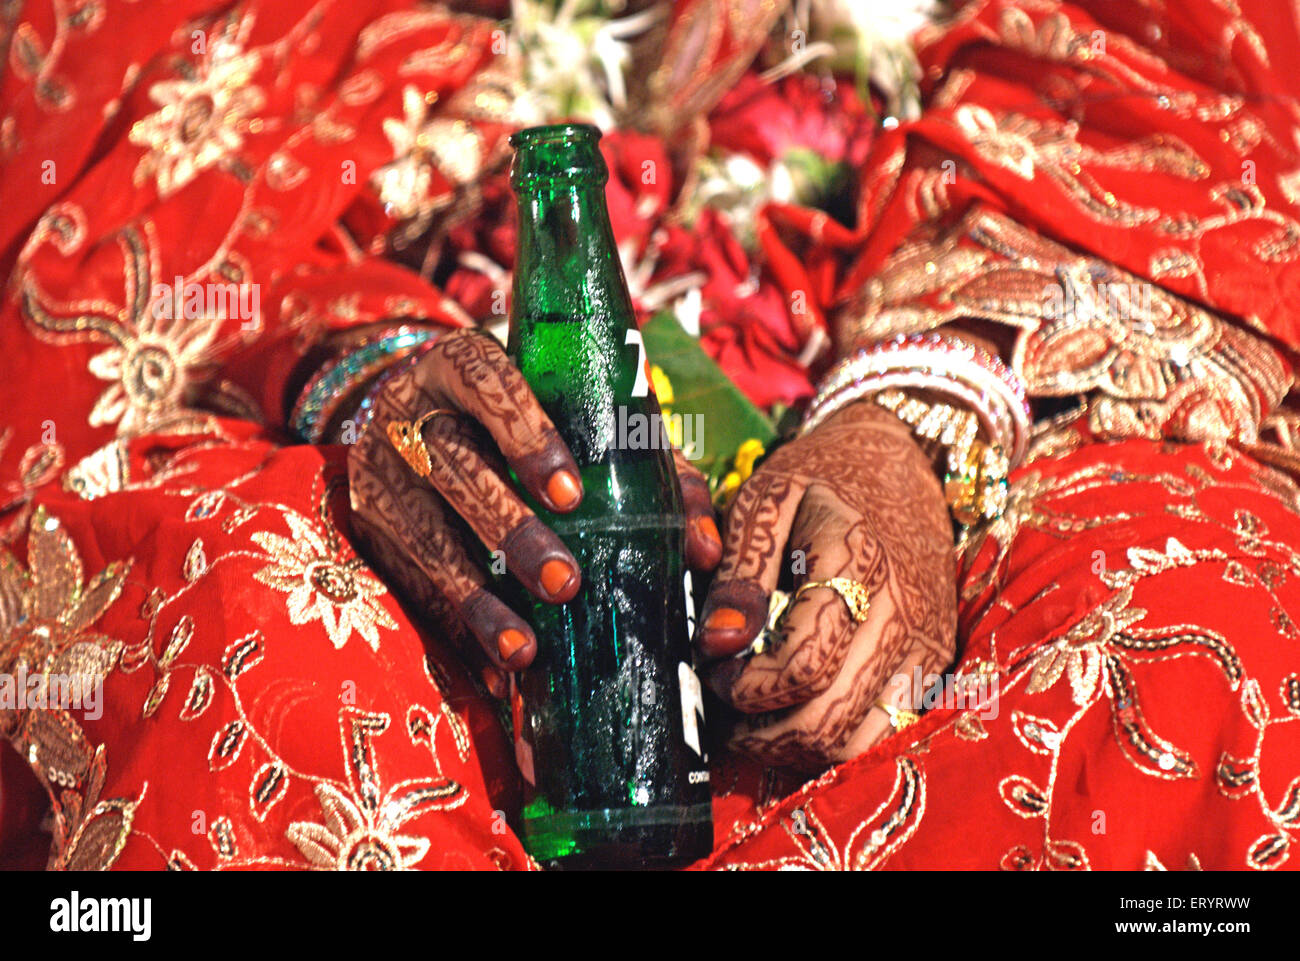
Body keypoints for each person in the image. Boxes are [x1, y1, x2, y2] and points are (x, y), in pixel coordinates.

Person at [1, 0, 1298, 871]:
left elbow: (1173, 131)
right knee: (259, 618)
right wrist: (384, 384)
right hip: (425, 314)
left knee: (1189, 631)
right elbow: (191, 225)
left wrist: (907, 423)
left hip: (985, 325)